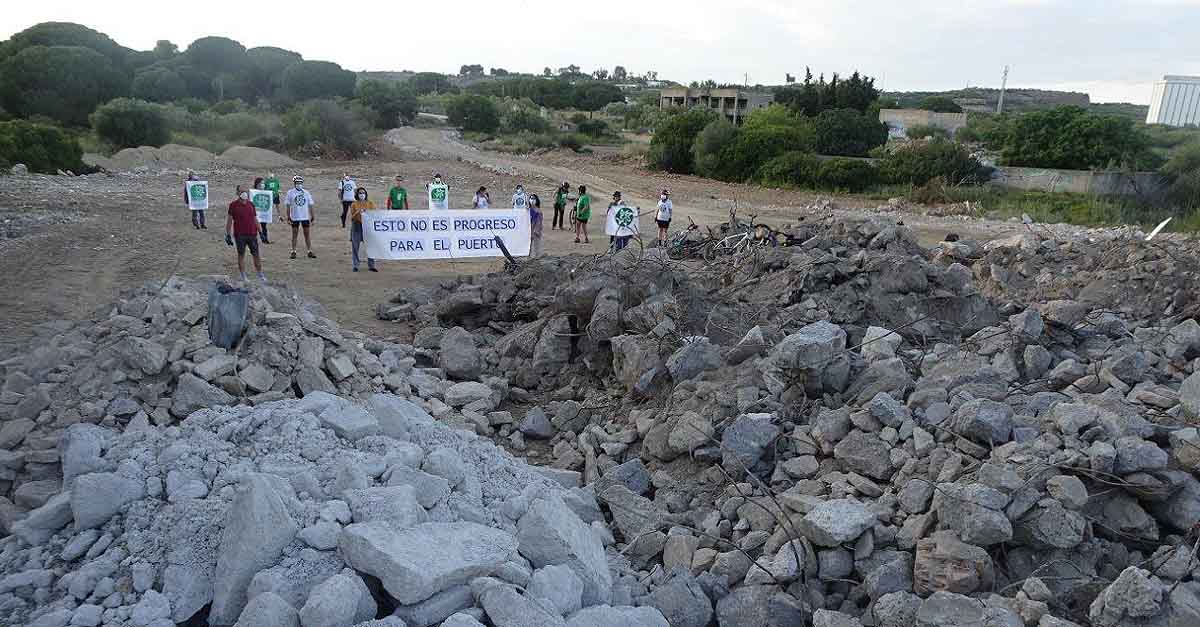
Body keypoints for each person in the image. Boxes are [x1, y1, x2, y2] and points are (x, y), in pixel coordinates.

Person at [224, 185, 267, 283]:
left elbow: (255, 219)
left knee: (256, 254)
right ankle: (243, 276)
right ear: (237, 193)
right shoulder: (233, 205)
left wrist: (261, 232)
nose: (244, 193)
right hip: (240, 235)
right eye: (241, 191)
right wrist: (228, 235)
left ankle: (260, 274)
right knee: (241, 255)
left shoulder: (251, 204)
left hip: (252, 233)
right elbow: (229, 221)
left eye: (246, 191)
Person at [285, 175, 317, 259]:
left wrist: (313, 216)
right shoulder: (290, 192)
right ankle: (293, 251)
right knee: (294, 234)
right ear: (294, 183)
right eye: (297, 183)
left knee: (307, 234)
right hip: (295, 217)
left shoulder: (306, 192)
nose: (299, 184)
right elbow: (288, 205)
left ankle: (309, 251)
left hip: (305, 217)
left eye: (300, 183)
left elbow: (310, 205)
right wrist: (288, 217)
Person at [348, 187, 378, 273]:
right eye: (360, 193)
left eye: (363, 193)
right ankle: (355, 265)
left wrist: (367, 211)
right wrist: (357, 212)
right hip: (356, 226)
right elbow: (352, 218)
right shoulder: (354, 204)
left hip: (367, 226)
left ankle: (371, 265)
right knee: (355, 247)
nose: (362, 194)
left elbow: (375, 214)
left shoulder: (370, 203)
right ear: (357, 194)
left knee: (370, 246)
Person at [263, 172, 282, 241]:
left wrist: (278, 191)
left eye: (272, 175)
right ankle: (269, 214)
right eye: (270, 175)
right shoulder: (266, 181)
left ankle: (279, 215)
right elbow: (265, 188)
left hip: (276, 195)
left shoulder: (276, 180)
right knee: (270, 205)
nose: (271, 176)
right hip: (269, 196)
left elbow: (278, 187)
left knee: (277, 205)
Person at [252, 177, 272, 244]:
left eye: (263, 183)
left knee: (264, 226)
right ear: (257, 184)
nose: (263, 184)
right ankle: (253, 240)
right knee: (254, 226)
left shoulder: (266, 192)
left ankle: (265, 239)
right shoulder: (252, 192)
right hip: (255, 213)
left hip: (263, 213)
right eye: (261, 183)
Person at [527, 193, 544, 257]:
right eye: (531, 198)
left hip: (535, 232)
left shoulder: (538, 211)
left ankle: (536, 257)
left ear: (536, 200)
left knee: (536, 246)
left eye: (533, 198)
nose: (532, 200)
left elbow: (539, 223)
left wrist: (535, 231)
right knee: (529, 246)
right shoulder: (528, 210)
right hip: (528, 230)